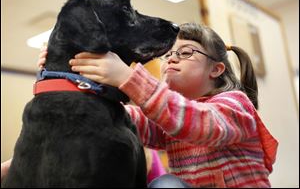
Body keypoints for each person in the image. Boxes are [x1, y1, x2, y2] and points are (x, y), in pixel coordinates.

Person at [2, 23, 278, 188]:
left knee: (165, 184)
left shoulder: (235, 105)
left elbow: (200, 124)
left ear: (217, 69)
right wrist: (70, 72)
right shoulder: (167, 118)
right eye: (169, 54)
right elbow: (111, 120)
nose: (171, 59)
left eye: (185, 53)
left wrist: (126, 77)